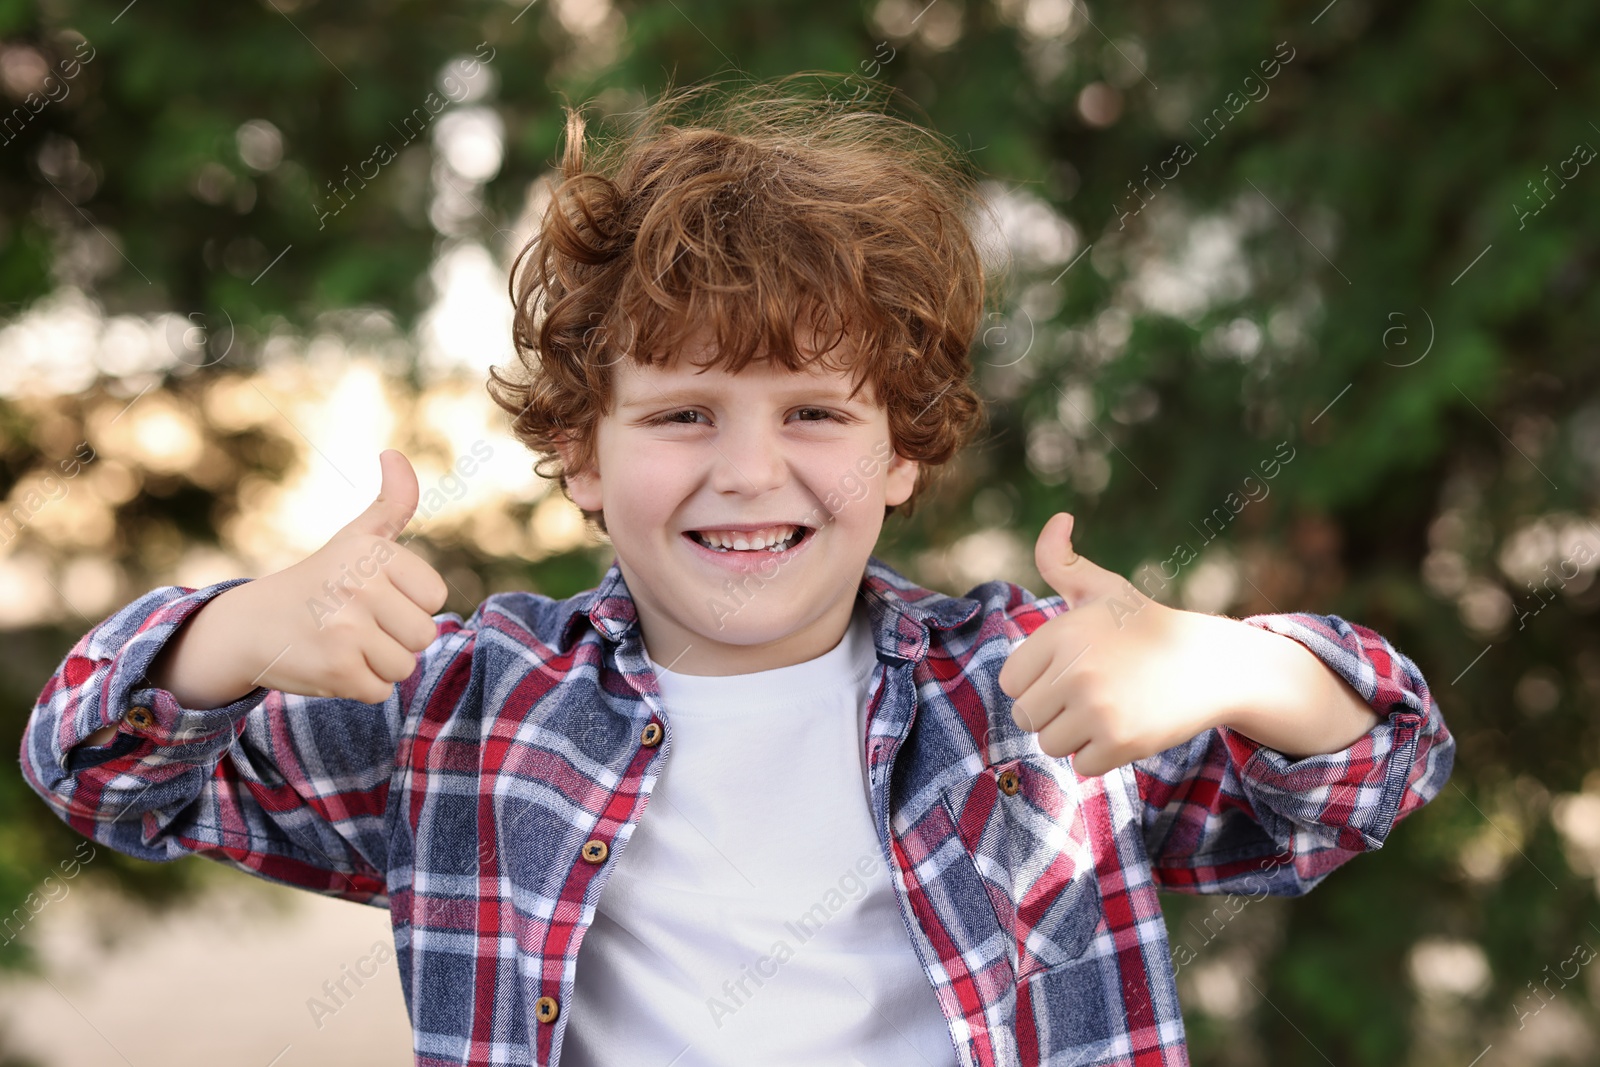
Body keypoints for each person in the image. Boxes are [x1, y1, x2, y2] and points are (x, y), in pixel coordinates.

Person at [20, 76, 1453, 1067]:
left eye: (816, 411)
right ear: (581, 454)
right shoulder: (465, 711)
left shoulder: (1035, 698)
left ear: (904, 450)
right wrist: (233, 634)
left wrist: (1232, 663)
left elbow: (1365, 773)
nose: (750, 471)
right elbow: (102, 767)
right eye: (684, 413)